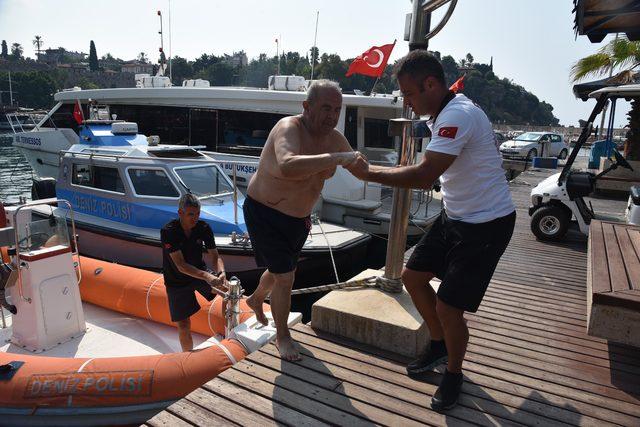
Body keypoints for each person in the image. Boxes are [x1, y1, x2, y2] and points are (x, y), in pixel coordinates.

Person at [346, 51, 516, 411]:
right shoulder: (444, 111)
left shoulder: (457, 114)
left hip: (487, 223)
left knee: (449, 307)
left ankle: (453, 374)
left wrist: (369, 172)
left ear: (430, 84)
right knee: (412, 276)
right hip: (456, 215)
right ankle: (439, 343)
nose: (406, 103)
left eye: (409, 94)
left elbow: (425, 176)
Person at [244, 80, 358, 361]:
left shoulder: (334, 138)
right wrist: (336, 157)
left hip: (298, 219)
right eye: (326, 108)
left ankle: (256, 298)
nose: (332, 116)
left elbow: (359, 166)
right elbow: (287, 164)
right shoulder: (289, 128)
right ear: (306, 107)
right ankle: (283, 337)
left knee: (281, 269)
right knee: (285, 276)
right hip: (265, 213)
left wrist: (402, 176)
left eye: (337, 110)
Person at [161, 193, 227, 351]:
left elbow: (215, 256)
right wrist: (207, 276)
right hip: (176, 281)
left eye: (198, 213)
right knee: (184, 325)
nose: (195, 218)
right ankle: (187, 358)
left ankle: (228, 333)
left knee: (228, 291)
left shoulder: (203, 227)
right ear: (180, 213)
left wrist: (221, 272)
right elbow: (181, 265)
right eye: (191, 214)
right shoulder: (168, 231)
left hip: (198, 272)